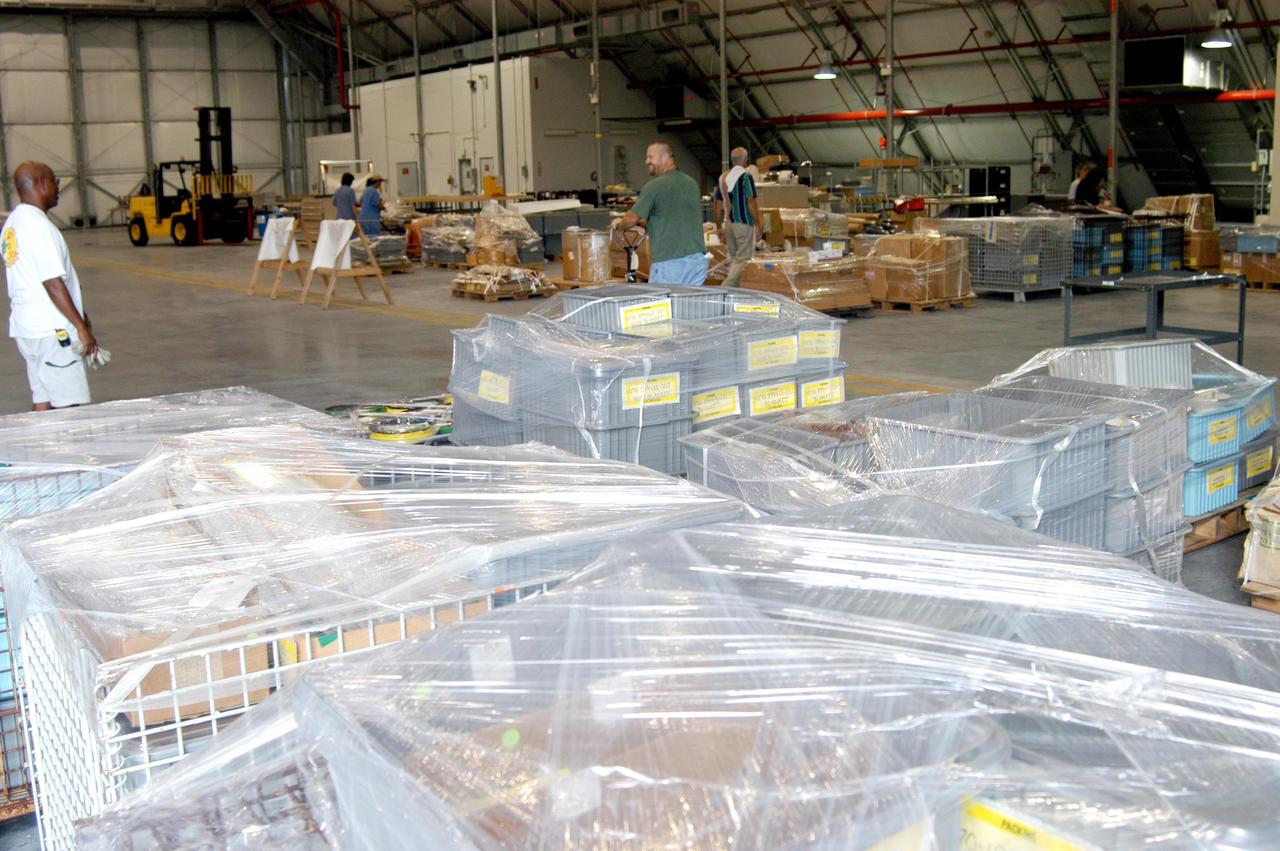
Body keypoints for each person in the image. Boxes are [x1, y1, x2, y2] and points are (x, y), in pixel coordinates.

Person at [2, 161, 98, 410]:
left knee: (42, 402)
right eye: (54, 181)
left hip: (29, 330)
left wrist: (81, 313)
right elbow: (52, 282)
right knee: (70, 407)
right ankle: (71, 450)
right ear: (40, 183)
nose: (57, 187)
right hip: (53, 331)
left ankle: (35, 448)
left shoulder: (13, 224)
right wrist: (80, 327)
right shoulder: (38, 226)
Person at [616, 142, 706, 286]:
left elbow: (631, 219)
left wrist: (619, 225)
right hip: (697, 261)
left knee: (661, 306)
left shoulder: (655, 186)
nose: (647, 162)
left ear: (665, 157)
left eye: (650, 157)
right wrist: (646, 223)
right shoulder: (691, 183)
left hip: (671, 263)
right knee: (688, 306)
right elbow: (673, 216)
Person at [712, 147, 762, 288]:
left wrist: (718, 227)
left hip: (729, 224)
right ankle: (724, 290)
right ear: (745, 160)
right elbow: (750, 201)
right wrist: (758, 224)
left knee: (734, 259)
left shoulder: (723, 177)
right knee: (742, 260)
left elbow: (717, 204)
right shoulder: (746, 177)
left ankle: (736, 294)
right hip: (744, 223)